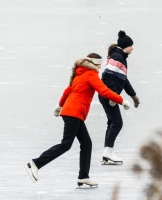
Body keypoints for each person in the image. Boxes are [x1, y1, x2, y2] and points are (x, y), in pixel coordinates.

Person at [25, 53, 131, 188]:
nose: (100, 66)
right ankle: (36, 163)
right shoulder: (91, 75)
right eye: (99, 64)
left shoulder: (80, 74)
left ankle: (83, 177)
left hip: (72, 112)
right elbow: (104, 91)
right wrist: (122, 100)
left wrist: (59, 106)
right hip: (74, 113)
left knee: (86, 143)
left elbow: (67, 91)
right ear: (94, 64)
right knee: (66, 144)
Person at [99, 30, 141, 165]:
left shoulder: (119, 57)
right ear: (125, 47)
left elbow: (124, 80)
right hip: (107, 95)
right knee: (117, 123)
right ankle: (108, 152)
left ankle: (107, 154)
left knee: (112, 122)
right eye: (131, 46)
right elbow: (106, 76)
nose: (133, 48)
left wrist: (133, 96)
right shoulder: (118, 57)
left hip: (106, 95)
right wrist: (113, 95)